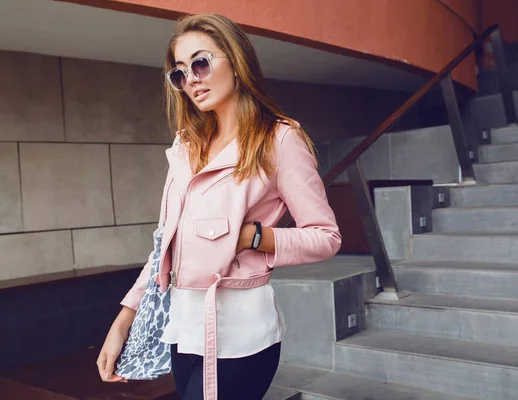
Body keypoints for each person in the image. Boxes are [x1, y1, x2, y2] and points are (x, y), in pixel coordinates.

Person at [95, 13, 342, 400]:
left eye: (200, 63)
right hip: (184, 332)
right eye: (180, 72)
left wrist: (255, 236)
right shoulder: (186, 146)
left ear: (236, 61)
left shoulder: (278, 140)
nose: (191, 79)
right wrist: (123, 321)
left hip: (240, 338)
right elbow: (165, 247)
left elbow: (325, 238)